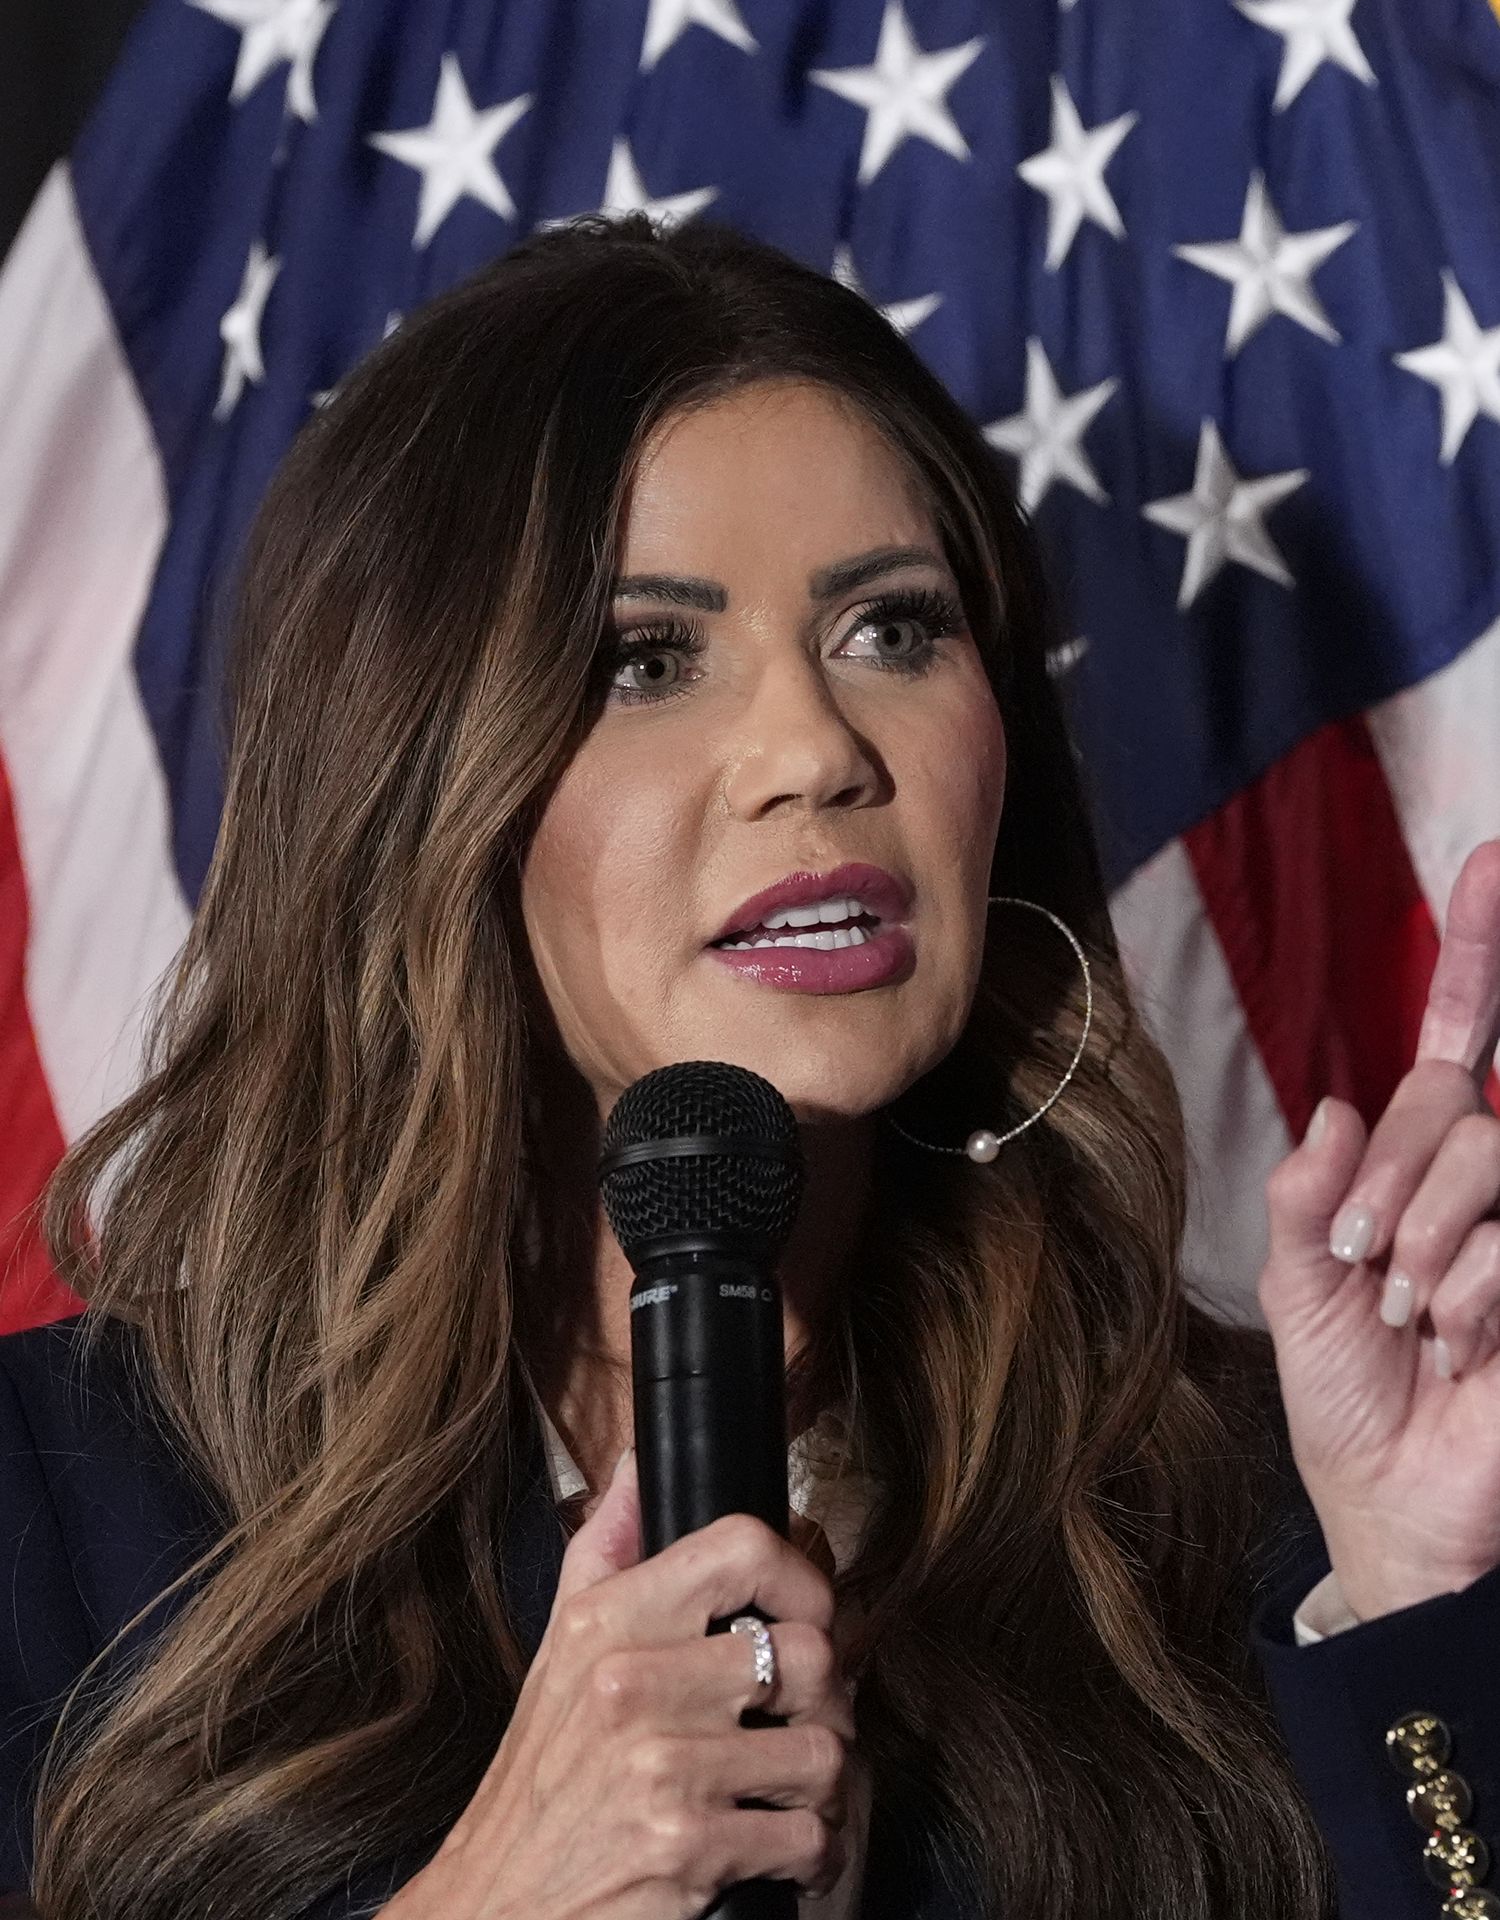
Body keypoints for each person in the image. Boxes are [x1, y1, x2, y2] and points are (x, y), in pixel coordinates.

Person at [3, 212, 1500, 1920]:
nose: (815, 750)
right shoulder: (52, 1511)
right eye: (647, 660)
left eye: (894, 631)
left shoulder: (1256, 1516)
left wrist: (1415, 1605)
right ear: (415, 788)